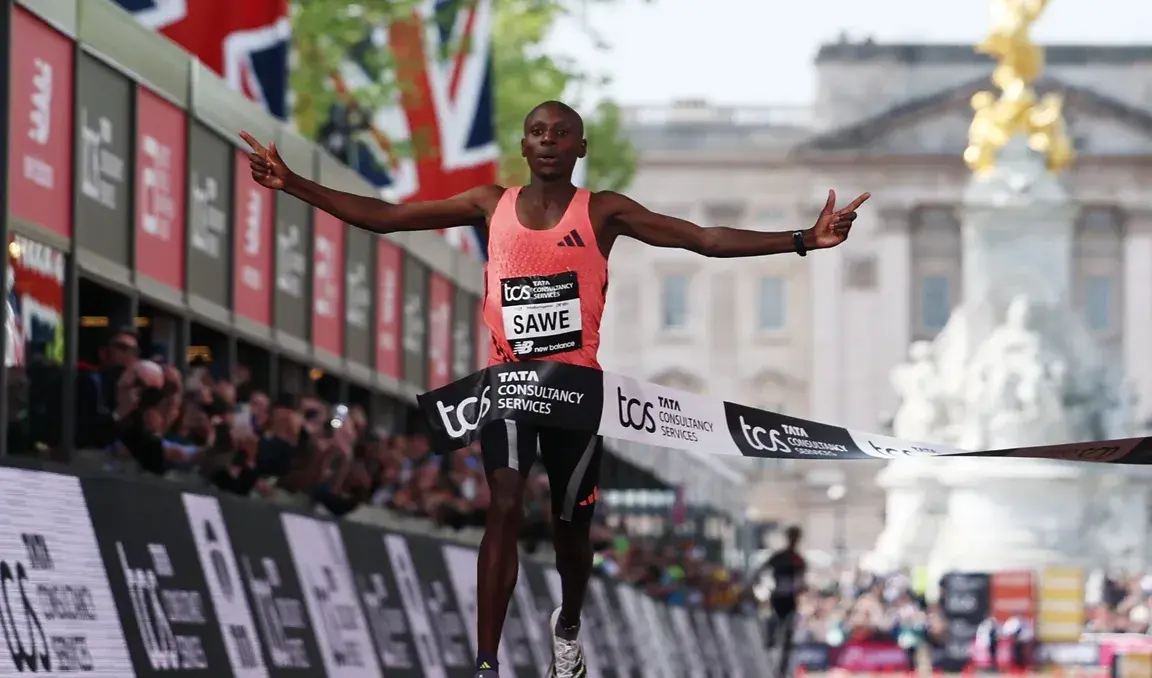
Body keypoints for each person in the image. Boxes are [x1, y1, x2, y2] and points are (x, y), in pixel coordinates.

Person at [239, 101, 869, 678]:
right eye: (537, 132)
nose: (547, 141)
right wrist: (292, 182)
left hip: (575, 392)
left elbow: (701, 240)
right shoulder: (490, 203)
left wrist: (801, 241)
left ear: (579, 147)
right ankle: (486, 662)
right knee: (504, 505)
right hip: (510, 386)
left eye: (560, 133)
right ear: (523, 145)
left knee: (571, 528)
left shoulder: (602, 211)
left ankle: (567, 625)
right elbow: (389, 218)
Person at [760, 526, 808, 678]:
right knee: (771, 636)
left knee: (787, 638)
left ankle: (781, 671)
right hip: (776, 599)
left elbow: (801, 581)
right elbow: (762, 571)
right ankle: (768, 666)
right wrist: (765, 590)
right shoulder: (779, 557)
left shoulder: (799, 560)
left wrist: (800, 588)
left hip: (790, 601)